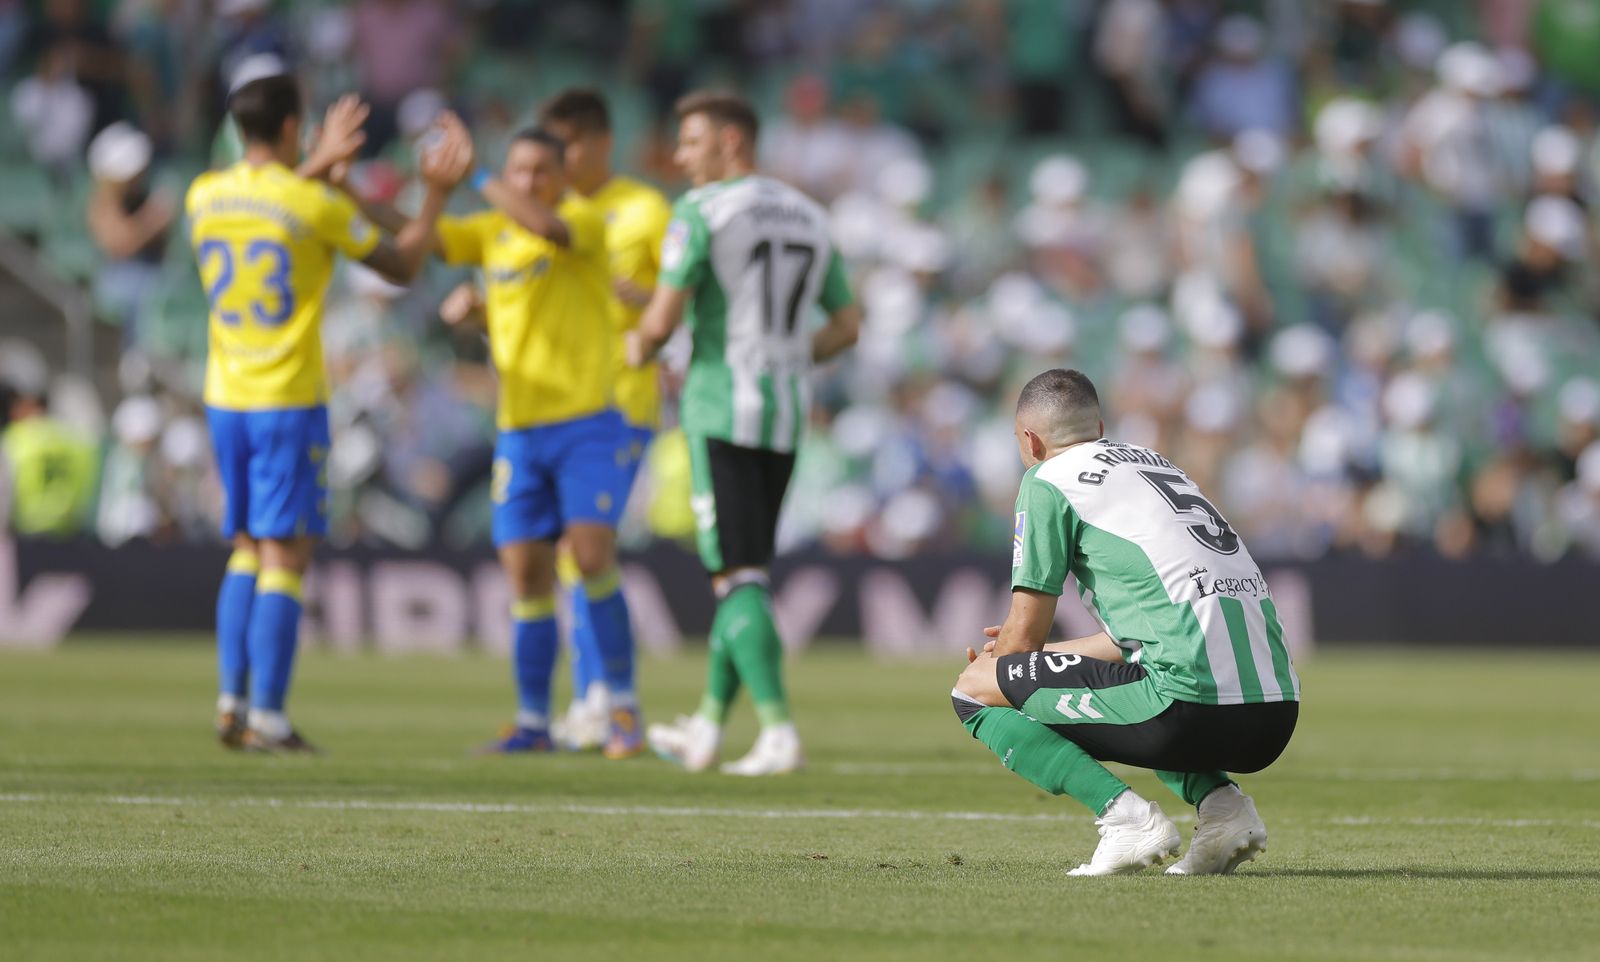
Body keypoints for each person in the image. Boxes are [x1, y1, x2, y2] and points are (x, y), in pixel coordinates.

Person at [189, 68, 470, 752]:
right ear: (291, 128)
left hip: (225, 397)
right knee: (287, 556)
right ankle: (271, 717)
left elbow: (274, 193)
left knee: (247, 550)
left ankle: (232, 698)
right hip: (287, 401)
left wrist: (314, 164)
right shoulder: (314, 206)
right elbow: (402, 264)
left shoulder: (205, 195)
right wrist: (431, 195)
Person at [952, 369, 1299, 875]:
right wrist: (1041, 662)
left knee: (972, 692)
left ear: (1029, 440)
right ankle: (1224, 810)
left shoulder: (1047, 479)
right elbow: (1131, 638)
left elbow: (1023, 634)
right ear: (1100, 424)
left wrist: (1002, 666)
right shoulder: (1156, 465)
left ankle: (1125, 820)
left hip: (1188, 707)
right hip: (1275, 713)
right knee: (1138, 673)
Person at [629, 91, 862, 776]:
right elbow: (847, 325)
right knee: (747, 575)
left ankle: (779, 730)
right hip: (785, 413)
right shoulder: (812, 215)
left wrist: (634, 341)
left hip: (719, 409)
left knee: (736, 582)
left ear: (732, 141)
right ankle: (705, 727)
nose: (680, 156)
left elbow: (663, 321)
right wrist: (789, 359)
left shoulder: (701, 211)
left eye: (691, 142)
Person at [429, 119, 631, 755]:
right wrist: (368, 187)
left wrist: (478, 177)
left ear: (563, 176)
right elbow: (422, 241)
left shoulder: (586, 221)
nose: (527, 181)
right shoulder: (491, 232)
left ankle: (621, 708)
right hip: (518, 430)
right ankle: (532, 721)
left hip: (587, 423)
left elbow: (547, 229)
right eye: (517, 169)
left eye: (539, 170)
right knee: (525, 576)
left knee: (592, 557)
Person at [535, 87, 673, 758]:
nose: (557, 160)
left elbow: (688, 301)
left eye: (567, 147)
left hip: (622, 403)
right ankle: (596, 695)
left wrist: (647, 299)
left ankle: (604, 699)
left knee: (587, 550)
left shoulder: (644, 210)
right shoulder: (546, 214)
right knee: (572, 553)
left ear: (597, 144)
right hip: (557, 404)